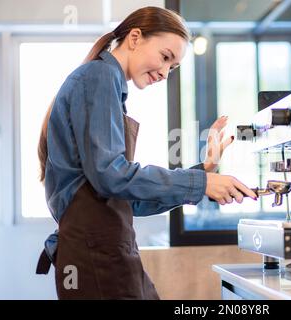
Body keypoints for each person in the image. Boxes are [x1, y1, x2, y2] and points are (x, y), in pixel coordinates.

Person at [35, 6, 257, 300]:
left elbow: (130, 201)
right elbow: (110, 176)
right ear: (135, 37)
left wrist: (204, 171)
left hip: (103, 252)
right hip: (95, 256)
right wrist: (202, 183)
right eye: (166, 57)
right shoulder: (99, 77)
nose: (165, 73)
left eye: (173, 67)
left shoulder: (106, 84)